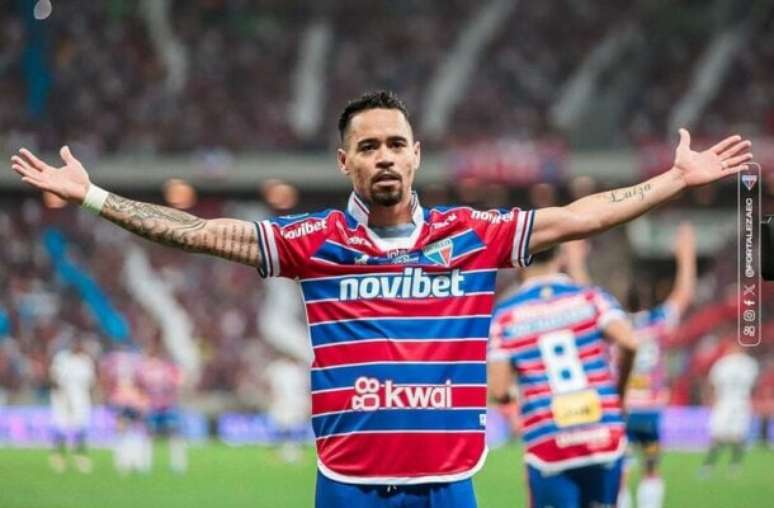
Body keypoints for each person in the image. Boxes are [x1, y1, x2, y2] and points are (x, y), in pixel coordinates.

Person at [10, 90, 752, 507]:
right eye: (368, 147)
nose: (385, 156)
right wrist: (96, 197)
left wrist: (674, 180)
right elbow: (202, 233)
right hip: (348, 486)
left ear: (416, 154)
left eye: (396, 143)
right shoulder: (313, 240)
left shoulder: (473, 234)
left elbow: (579, 217)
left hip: (449, 484)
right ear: (345, 162)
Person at [487, 245, 638, 508]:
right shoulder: (591, 297)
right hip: (603, 435)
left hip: (549, 441)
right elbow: (630, 342)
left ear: (518, 263)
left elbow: (498, 390)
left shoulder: (505, 316)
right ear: (561, 257)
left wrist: (519, 393)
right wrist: (619, 393)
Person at [565, 224, 697, 508]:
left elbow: (585, 292)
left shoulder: (615, 323)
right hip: (651, 409)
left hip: (622, 406)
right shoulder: (659, 322)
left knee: (620, 473)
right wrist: (686, 256)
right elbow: (684, 294)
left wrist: (575, 257)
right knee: (651, 469)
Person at [701, 342, 759, 477]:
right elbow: (754, 385)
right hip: (735, 402)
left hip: (729, 402)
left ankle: (714, 466)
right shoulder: (749, 364)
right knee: (731, 435)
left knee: (726, 435)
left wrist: (710, 399)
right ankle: (730, 466)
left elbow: (712, 383)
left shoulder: (724, 363)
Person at [137, 341, 187, 473]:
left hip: (165, 406)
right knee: (154, 435)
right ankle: (148, 465)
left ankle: (176, 465)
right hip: (156, 406)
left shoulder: (166, 369)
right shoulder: (151, 369)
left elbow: (178, 384)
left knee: (172, 434)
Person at [99, 342, 149, 474]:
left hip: (122, 398)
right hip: (131, 399)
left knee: (124, 429)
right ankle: (135, 461)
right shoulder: (136, 360)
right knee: (133, 429)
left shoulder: (112, 360)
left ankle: (125, 461)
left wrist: (107, 395)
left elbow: (106, 379)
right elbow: (142, 382)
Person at [49, 337, 96, 473]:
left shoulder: (86, 361)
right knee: (61, 425)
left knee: (80, 425)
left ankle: (80, 456)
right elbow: (53, 377)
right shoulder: (62, 358)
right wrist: (61, 391)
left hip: (79, 398)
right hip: (62, 397)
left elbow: (90, 382)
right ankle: (58, 456)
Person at [264, 351, 311, 463]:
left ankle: (292, 451)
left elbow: (306, 388)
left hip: (296, 402)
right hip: (282, 402)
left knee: (293, 427)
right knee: (282, 426)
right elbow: (269, 384)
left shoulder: (300, 369)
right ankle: (284, 451)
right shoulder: (278, 367)